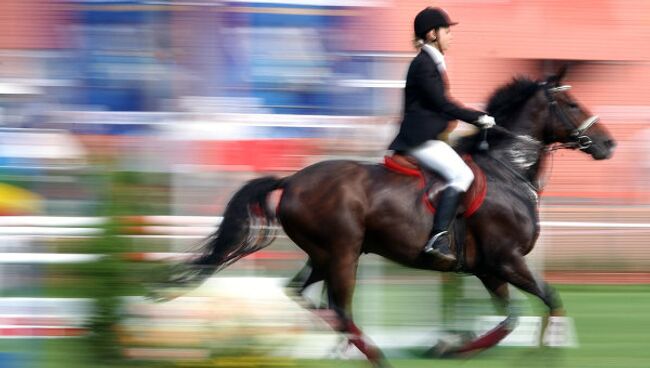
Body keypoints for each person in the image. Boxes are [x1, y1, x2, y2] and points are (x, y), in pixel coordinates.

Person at [388, 7, 496, 262]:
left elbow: (442, 105)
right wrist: (477, 118)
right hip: (420, 141)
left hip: (429, 137)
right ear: (432, 34)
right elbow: (442, 104)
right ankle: (437, 237)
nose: (451, 35)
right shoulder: (424, 64)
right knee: (462, 174)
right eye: (447, 30)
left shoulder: (431, 63)